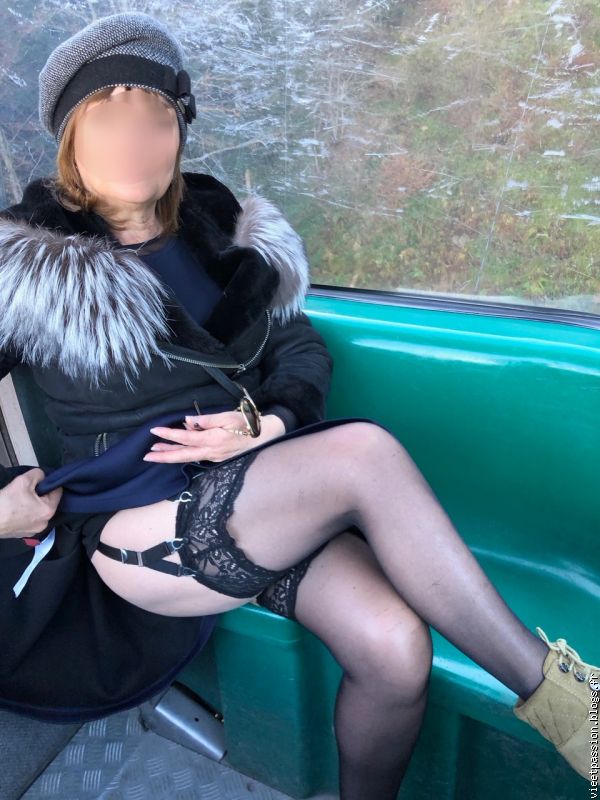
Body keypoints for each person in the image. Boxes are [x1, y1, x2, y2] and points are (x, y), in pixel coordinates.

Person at [0, 12, 595, 798]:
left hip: (259, 492)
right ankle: (574, 714)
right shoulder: (28, 266)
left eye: (154, 117)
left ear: (179, 133)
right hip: (137, 524)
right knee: (362, 454)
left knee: (394, 648)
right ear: (70, 136)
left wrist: (267, 422)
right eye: (107, 117)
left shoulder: (218, 230)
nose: (132, 141)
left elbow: (300, 348)